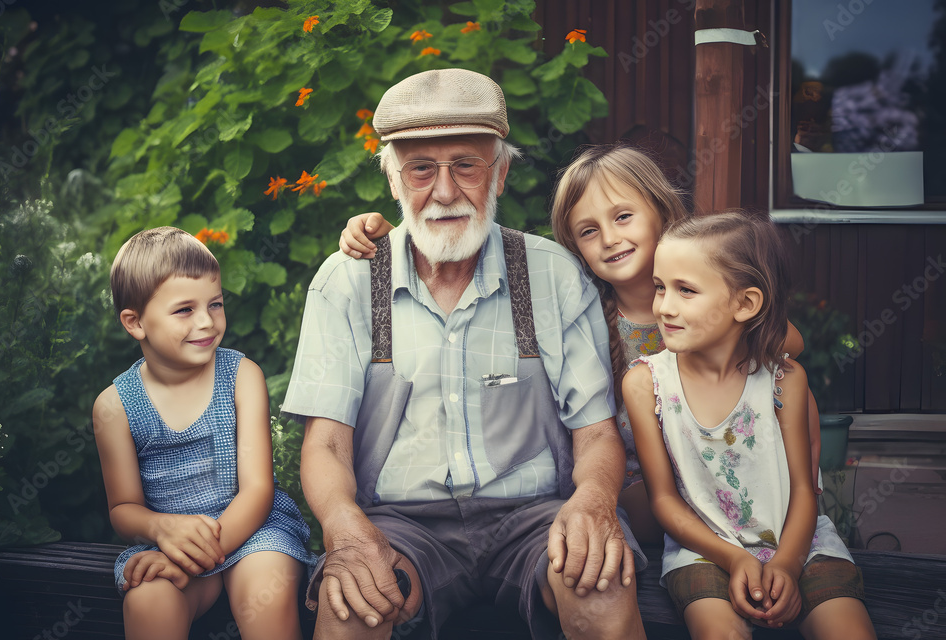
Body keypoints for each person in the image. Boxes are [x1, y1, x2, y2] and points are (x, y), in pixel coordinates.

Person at [283, 69, 652, 640]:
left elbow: (596, 434)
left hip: (536, 519)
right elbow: (325, 446)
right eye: (421, 168)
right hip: (402, 525)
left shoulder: (551, 274)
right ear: (393, 179)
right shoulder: (347, 281)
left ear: (500, 172)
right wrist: (347, 530)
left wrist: (592, 501)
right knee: (351, 603)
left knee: (600, 587)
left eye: (466, 165)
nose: (445, 190)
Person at [339, 145, 823, 548]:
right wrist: (390, 234)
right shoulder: (590, 308)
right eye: (589, 231)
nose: (610, 239)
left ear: (662, 211)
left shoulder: (713, 293)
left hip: (731, 461)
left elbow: (783, 347)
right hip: (644, 482)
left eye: (624, 217)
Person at [622, 212, 879, 640]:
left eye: (686, 290)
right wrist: (734, 558)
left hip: (799, 541)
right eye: (660, 286)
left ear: (745, 304)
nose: (663, 306)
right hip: (703, 548)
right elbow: (664, 501)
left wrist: (786, 563)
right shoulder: (646, 384)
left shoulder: (784, 380)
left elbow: (804, 489)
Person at [92, 227, 316, 640]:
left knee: (264, 591)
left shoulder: (240, 376)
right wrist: (161, 531)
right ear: (135, 322)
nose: (207, 322)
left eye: (215, 304)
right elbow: (123, 509)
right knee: (147, 604)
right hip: (173, 543)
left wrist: (198, 558)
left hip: (254, 531)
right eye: (184, 310)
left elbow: (257, 491)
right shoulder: (114, 406)